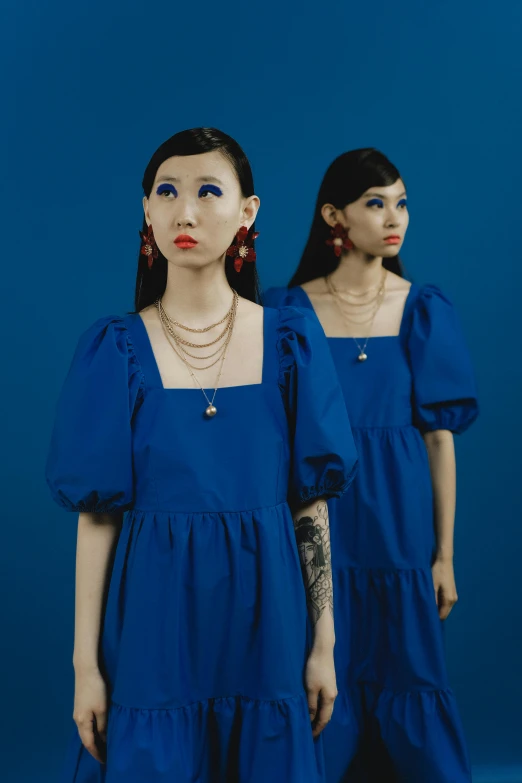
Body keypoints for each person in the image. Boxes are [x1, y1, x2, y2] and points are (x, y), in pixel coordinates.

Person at [46, 128, 358, 783]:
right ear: (147, 211)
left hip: (267, 618)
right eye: (167, 192)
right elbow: (98, 517)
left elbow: (311, 502)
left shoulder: (291, 340)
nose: (185, 212)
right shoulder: (116, 349)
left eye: (207, 191)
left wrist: (324, 642)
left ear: (248, 212)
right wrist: (85, 667)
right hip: (154, 622)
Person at [264, 148, 479, 783]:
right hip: (318, 514)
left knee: (409, 667)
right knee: (317, 665)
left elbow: (440, 442)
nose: (396, 218)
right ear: (335, 215)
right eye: (377, 203)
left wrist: (443, 555)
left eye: (403, 202)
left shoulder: (423, 308)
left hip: (399, 525)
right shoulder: (289, 311)